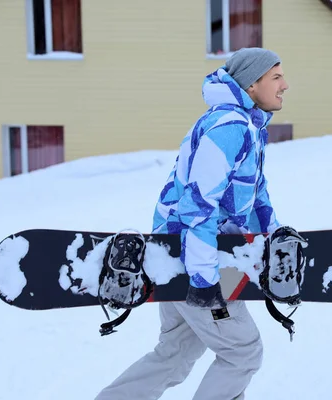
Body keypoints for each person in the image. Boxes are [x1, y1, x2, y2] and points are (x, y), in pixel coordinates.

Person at [94, 47, 289, 400]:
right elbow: (199, 205)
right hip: (200, 261)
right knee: (243, 352)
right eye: (276, 77)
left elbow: (256, 195)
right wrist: (203, 279)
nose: (285, 85)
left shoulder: (247, 126)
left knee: (175, 356)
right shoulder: (228, 127)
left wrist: (274, 235)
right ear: (251, 85)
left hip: (180, 256)